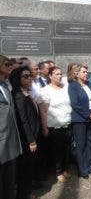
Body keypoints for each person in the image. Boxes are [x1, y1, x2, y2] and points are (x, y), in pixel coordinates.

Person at [9, 66, 40, 199]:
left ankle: (27, 192)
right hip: (27, 139)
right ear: (18, 79)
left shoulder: (26, 92)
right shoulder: (18, 95)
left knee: (30, 167)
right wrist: (31, 140)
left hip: (33, 135)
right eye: (25, 76)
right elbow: (23, 120)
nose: (30, 78)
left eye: (30, 76)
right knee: (25, 168)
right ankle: (23, 194)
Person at [40, 66, 72, 183]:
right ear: (50, 76)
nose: (59, 76)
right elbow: (44, 111)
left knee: (66, 149)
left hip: (67, 124)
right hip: (55, 127)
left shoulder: (65, 88)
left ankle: (64, 169)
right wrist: (44, 127)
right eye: (56, 74)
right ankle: (58, 171)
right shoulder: (46, 90)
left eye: (60, 74)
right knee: (58, 150)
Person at [68, 64, 91, 179]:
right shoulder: (73, 86)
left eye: (87, 72)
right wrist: (88, 114)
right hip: (80, 120)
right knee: (81, 145)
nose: (86, 74)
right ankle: (82, 170)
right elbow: (75, 104)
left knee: (90, 143)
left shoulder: (89, 84)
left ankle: (90, 166)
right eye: (84, 72)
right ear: (77, 73)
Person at [0, 55, 22, 199]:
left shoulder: (5, 85)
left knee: (9, 181)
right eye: (6, 64)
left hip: (11, 141)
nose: (10, 66)